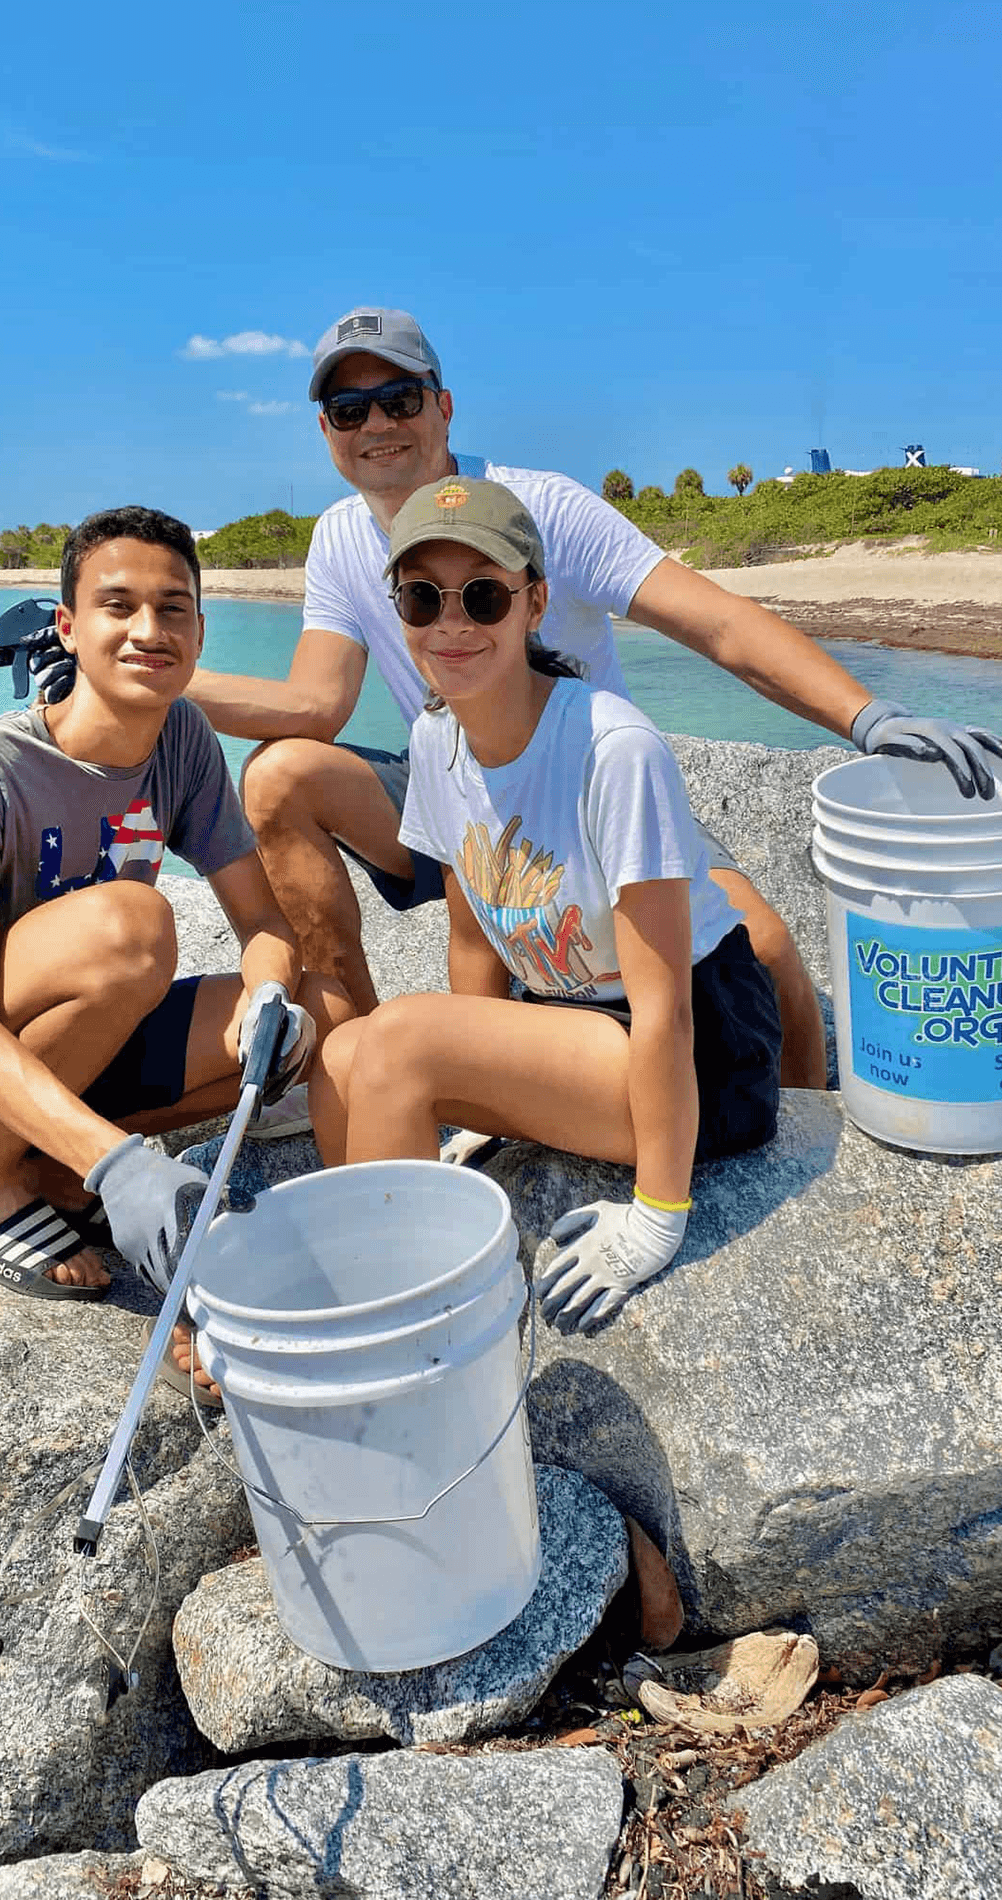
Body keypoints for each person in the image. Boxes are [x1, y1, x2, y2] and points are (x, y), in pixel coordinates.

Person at [189, 307, 1002, 1120]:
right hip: (461, 787)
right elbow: (316, 704)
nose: (376, 423)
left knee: (765, 955)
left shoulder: (540, 507)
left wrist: (866, 717)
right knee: (279, 775)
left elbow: (717, 624)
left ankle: (802, 1134)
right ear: (326, 429)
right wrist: (155, 683)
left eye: (399, 398)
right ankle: (349, 1058)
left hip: (590, 791)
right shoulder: (338, 538)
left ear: (443, 405)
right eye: (349, 408)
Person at [0, 507, 343, 1374]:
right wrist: (123, 1166)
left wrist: (271, 992)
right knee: (133, 925)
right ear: (68, 626)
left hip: (51, 1043)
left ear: (200, 632)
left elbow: (262, 924)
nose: (149, 630)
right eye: (118, 606)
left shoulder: (182, 739)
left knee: (321, 1013)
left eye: (173, 608)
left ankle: (45, 1170)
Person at [309, 477, 782, 1334]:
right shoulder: (436, 738)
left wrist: (657, 1217)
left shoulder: (611, 748)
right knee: (344, 1058)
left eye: (482, 597)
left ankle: (411, 1328)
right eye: (422, 598)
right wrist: (476, 1099)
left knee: (401, 1041)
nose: (451, 623)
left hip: (701, 1055)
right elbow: (471, 938)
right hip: (571, 1026)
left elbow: (667, 1008)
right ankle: (374, 1280)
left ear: (534, 604)